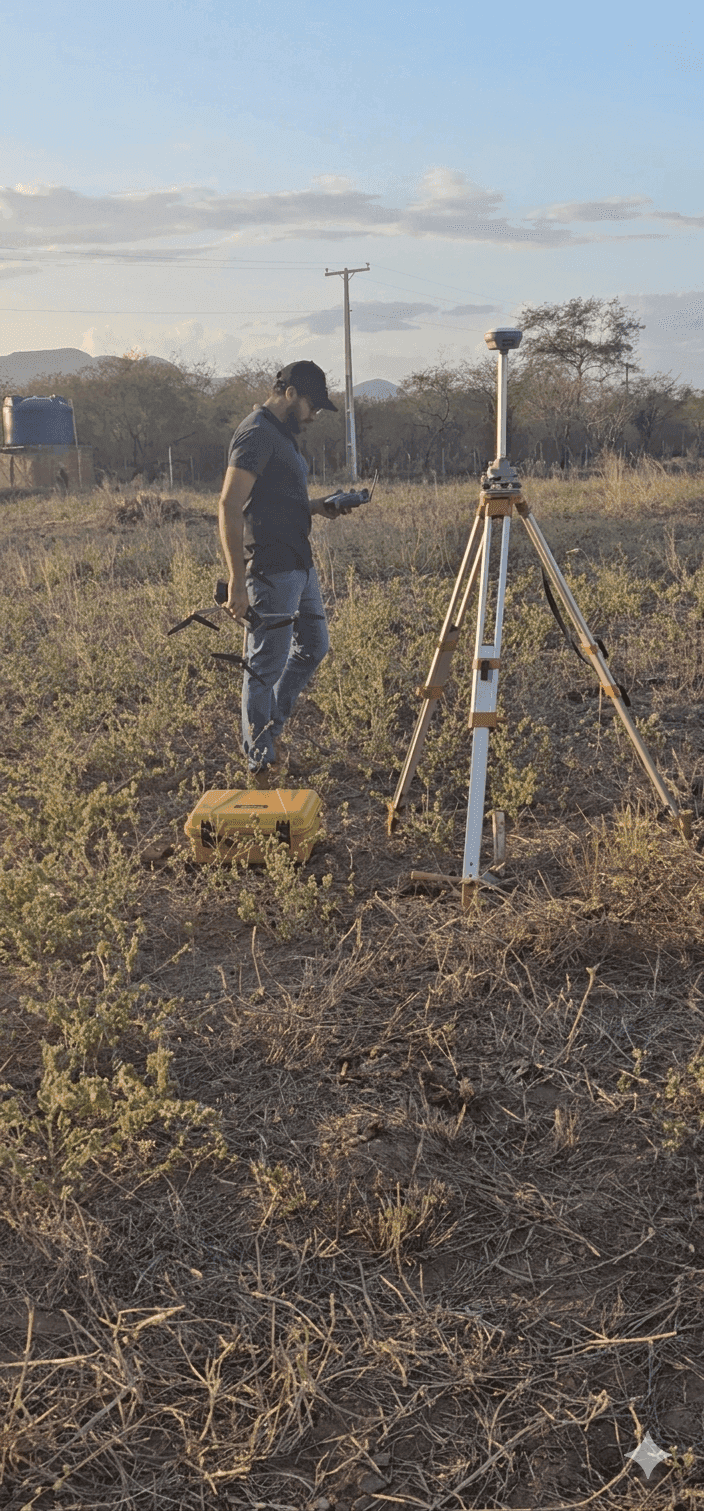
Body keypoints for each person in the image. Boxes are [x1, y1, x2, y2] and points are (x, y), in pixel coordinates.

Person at [218, 360, 350, 788]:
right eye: (313, 406)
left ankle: (270, 730)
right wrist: (237, 580)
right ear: (291, 393)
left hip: (299, 561)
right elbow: (229, 505)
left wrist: (318, 506)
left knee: (315, 645)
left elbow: (275, 500)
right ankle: (259, 758)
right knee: (264, 665)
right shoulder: (257, 432)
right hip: (271, 568)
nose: (314, 416)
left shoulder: (282, 436)